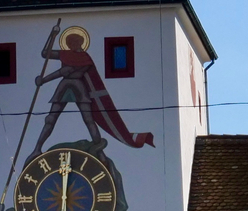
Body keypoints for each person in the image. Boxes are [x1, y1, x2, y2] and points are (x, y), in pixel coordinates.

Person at [30, 20, 156, 154]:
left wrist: (44, 80)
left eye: (75, 42)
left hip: (78, 88)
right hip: (64, 87)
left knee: (89, 119)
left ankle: (99, 151)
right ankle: (37, 149)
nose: (73, 45)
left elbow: (66, 71)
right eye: (70, 43)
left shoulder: (85, 58)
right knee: (50, 119)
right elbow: (45, 53)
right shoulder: (65, 54)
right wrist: (52, 35)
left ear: (80, 43)